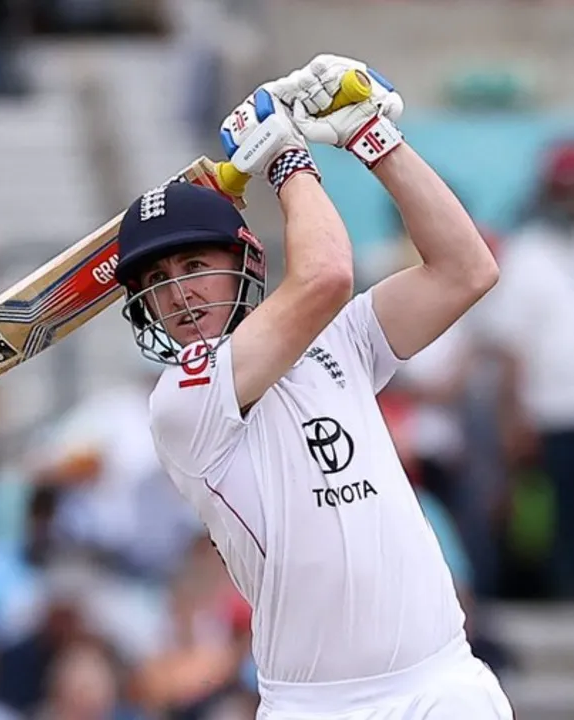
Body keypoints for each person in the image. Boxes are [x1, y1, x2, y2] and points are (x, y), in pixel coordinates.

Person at [111, 54, 513, 719]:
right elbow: (325, 275)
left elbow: (464, 269)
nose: (178, 293)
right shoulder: (182, 398)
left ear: (246, 262)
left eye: (192, 265)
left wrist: (371, 138)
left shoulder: (341, 342)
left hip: (442, 679)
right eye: (156, 281)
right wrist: (284, 159)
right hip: (316, 705)